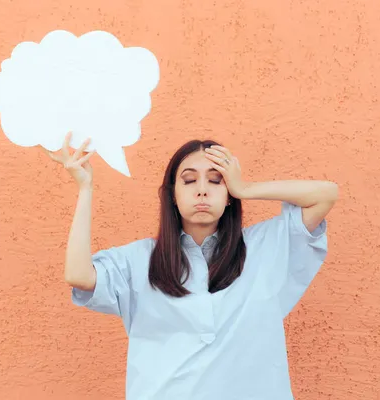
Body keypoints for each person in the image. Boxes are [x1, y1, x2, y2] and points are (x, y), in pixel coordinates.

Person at [43, 133, 338, 400]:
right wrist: (85, 189)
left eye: (215, 180)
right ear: (172, 194)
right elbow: (78, 275)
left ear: (229, 195)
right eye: (188, 180)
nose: (202, 190)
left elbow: (325, 195)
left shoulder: (266, 246)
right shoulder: (139, 260)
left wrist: (245, 187)